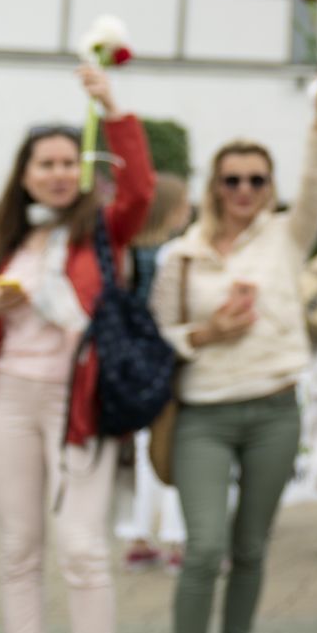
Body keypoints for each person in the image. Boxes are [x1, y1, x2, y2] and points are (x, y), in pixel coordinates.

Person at [152, 67, 317, 633]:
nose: (244, 189)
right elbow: (159, 333)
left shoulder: (286, 237)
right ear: (215, 184)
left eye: (257, 179)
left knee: (252, 549)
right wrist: (208, 332)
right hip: (203, 414)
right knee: (205, 549)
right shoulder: (181, 253)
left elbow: (314, 185)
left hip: (275, 410)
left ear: (268, 185)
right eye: (232, 179)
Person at [0, 65, 153, 633]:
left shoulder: (103, 230)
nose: (59, 174)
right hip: (9, 398)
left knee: (81, 547)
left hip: (77, 401)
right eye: (46, 164)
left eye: (68, 163)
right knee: (18, 549)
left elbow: (138, 190)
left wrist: (111, 106)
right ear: (25, 174)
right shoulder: (5, 238)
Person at [118, 172, 192, 575]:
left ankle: (139, 534)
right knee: (176, 450)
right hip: (169, 363)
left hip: (136, 367)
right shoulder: (174, 252)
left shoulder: (129, 252)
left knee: (148, 454)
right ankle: (179, 539)